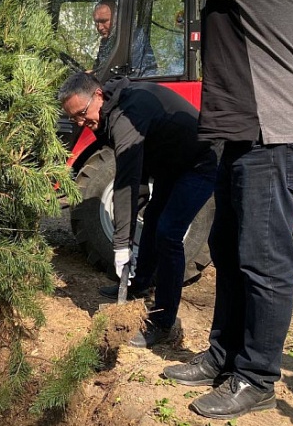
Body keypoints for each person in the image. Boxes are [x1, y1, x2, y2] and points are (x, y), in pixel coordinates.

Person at [161, 0, 293, 419]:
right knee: (228, 250)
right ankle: (224, 357)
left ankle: (257, 378)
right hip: (243, 135)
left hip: (275, 134)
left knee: (263, 261)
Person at [58, 71, 218, 347]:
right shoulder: (107, 115)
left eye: (83, 114)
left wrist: (121, 243)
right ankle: (140, 284)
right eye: (75, 119)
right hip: (171, 165)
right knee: (154, 218)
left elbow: (126, 182)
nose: (82, 123)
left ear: (98, 95)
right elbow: (137, 173)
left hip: (201, 161)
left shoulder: (127, 115)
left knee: (169, 234)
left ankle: (163, 322)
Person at [92, 2, 157, 78]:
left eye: (104, 21)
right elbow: (99, 67)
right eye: (96, 22)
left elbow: (133, 74)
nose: (99, 27)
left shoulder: (133, 38)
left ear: (117, 19)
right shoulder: (106, 42)